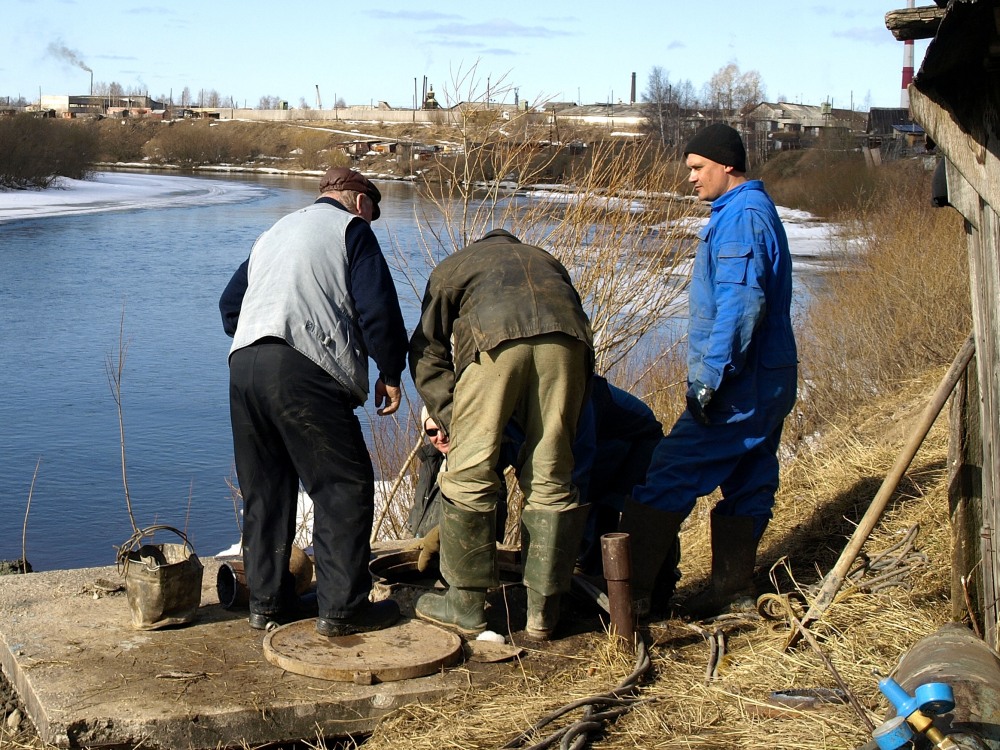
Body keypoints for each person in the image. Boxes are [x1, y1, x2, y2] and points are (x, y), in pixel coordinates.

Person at [219, 166, 409, 637]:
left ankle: (266, 605)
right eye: (373, 213)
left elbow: (229, 305)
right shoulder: (352, 231)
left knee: (265, 490)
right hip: (303, 366)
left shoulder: (275, 232)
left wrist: (262, 334)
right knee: (343, 484)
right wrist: (389, 370)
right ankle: (343, 612)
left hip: (243, 367)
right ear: (361, 202)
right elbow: (378, 307)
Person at [622, 124, 798, 619]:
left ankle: (629, 601)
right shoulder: (746, 213)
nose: (692, 179)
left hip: (739, 385)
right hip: (766, 377)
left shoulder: (742, 217)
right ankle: (732, 593)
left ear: (727, 165)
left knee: (669, 473)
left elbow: (742, 305)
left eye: (698, 168)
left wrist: (710, 379)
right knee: (749, 478)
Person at [408, 228, 593, 640]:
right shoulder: (546, 259)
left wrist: (453, 416)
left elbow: (426, 350)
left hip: (495, 342)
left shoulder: (455, 266)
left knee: (470, 474)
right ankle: (543, 610)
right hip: (569, 344)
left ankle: (465, 605)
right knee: (551, 475)